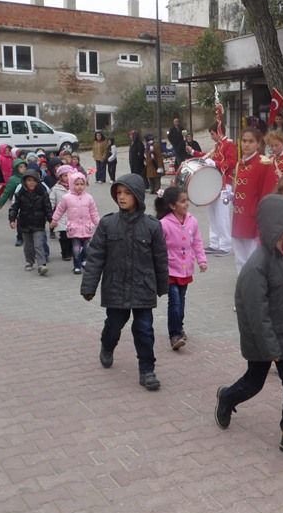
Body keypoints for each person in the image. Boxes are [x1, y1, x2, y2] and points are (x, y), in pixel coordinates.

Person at [213, 194, 283, 462]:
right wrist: (271, 348)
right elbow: (257, 313)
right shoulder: (256, 267)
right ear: (276, 225)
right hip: (267, 339)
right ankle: (227, 397)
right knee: (253, 383)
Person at [81, 174, 168, 392]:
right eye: (119, 193)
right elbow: (95, 257)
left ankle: (147, 370)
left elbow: (161, 258)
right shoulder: (108, 224)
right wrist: (89, 286)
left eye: (127, 193)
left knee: (144, 329)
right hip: (115, 287)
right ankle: (107, 346)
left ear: (138, 196)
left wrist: (162, 285)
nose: (122, 197)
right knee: (114, 325)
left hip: (143, 288)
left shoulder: (152, 226)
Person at [155, 186, 207, 351]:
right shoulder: (163, 224)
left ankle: (179, 326)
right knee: (175, 301)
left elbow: (197, 242)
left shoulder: (193, 221)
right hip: (170, 269)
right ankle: (175, 335)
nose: (186, 204)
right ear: (172, 205)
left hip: (185, 268)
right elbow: (157, 247)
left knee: (181, 301)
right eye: (182, 201)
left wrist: (201, 260)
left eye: (187, 201)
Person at [231, 127, 278, 272]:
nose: (246, 144)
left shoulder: (264, 164)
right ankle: (243, 284)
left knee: (253, 258)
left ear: (258, 144)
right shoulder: (240, 163)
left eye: (251, 141)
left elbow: (267, 196)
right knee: (239, 257)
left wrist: (261, 221)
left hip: (253, 219)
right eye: (244, 141)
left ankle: (253, 287)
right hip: (239, 218)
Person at [190, 122, 237, 256]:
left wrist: (215, 163)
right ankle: (214, 243)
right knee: (212, 215)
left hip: (224, 184)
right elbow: (208, 157)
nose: (211, 136)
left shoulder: (229, 144)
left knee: (222, 216)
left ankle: (225, 245)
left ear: (218, 131)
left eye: (212, 133)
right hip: (213, 184)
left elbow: (232, 163)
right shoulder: (218, 145)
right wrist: (194, 153)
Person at [51, 171, 99, 275]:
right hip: (74, 228)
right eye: (77, 184)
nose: (80, 187)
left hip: (87, 227)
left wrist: (98, 224)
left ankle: (84, 260)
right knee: (76, 248)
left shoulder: (89, 197)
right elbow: (59, 210)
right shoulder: (67, 198)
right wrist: (54, 221)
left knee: (87, 248)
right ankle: (77, 265)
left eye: (82, 184)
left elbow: (93, 212)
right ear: (72, 184)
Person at [8, 169, 53, 275]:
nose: (31, 183)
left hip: (38, 223)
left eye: (34, 180)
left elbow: (48, 208)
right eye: (29, 180)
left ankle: (42, 265)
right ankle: (29, 261)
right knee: (28, 246)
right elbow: (14, 208)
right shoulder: (20, 194)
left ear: (37, 182)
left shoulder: (42, 193)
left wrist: (51, 220)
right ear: (24, 182)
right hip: (25, 223)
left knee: (39, 244)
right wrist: (12, 219)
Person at [0, 156, 28, 246]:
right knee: (20, 221)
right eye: (21, 167)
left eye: (24, 167)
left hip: (30, 202)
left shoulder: (29, 177)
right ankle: (19, 237)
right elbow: (7, 192)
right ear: (16, 169)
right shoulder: (13, 179)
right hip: (18, 203)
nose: (23, 169)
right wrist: (1, 203)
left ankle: (29, 236)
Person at [49, 165, 74, 262]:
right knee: (64, 236)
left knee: (73, 235)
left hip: (73, 216)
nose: (68, 178)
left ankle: (71, 250)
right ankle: (65, 252)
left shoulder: (75, 187)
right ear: (60, 177)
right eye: (65, 175)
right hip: (61, 216)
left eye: (69, 175)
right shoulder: (56, 189)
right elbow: (51, 201)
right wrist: (50, 214)